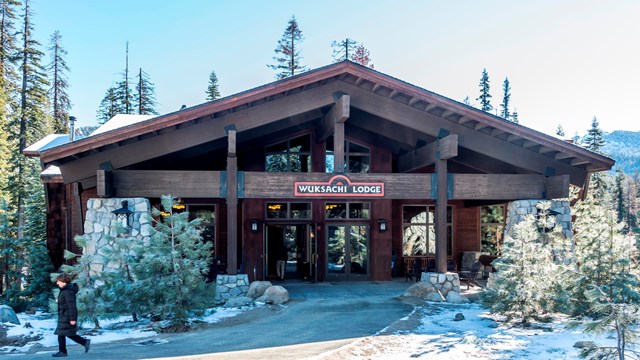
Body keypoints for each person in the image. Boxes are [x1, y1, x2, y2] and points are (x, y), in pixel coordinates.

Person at [53, 274, 91, 357]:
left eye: (58, 281)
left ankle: (63, 351)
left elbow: (71, 306)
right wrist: (59, 301)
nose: (57, 283)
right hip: (64, 315)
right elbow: (66, 302)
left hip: (67, 316)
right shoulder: (65, 291)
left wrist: (72, 319)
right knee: (63, 333)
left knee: (65, 334)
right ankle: (83, 342)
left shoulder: (67, 292)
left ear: (64, 282)